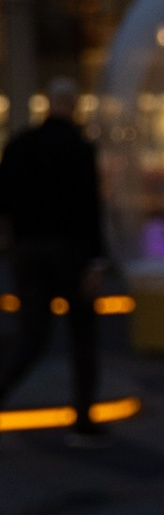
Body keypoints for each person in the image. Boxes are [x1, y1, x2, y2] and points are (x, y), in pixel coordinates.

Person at [0, 78, 108, 435]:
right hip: (70, 251)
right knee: (82, 336)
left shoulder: (19, 145)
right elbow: (90, 210)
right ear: (73, 104)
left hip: (28, 250)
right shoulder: (79, 148)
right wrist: (95, 261)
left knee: (31, 338)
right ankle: (82, 421)